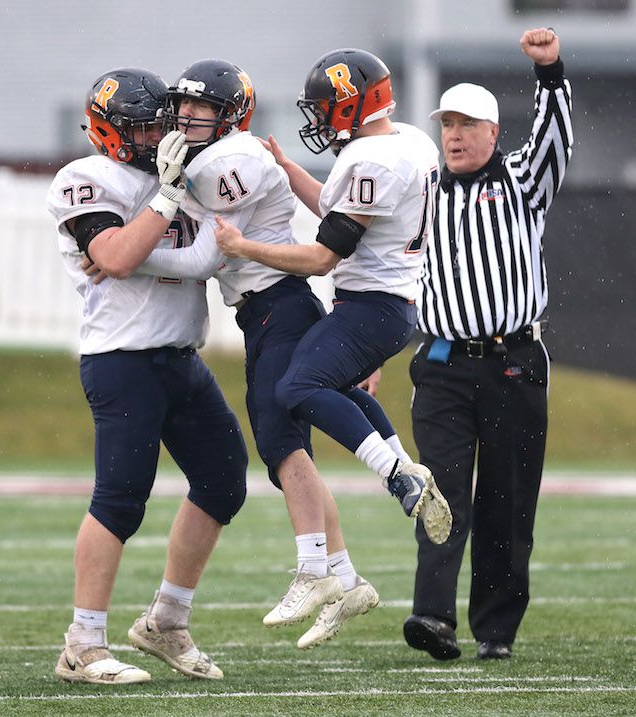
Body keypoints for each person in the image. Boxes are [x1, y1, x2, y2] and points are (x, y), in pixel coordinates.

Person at [117, 59, 388, 651]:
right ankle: (346, 578)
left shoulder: (227, 162)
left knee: (278, 439)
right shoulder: (213, 158)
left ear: (230, 115)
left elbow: (202, 259)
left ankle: (315, 569)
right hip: (269, 311)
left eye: (201, 109)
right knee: (290, 449)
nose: (186, 117)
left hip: (278, 307)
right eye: (183, 106)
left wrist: (131, 254)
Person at [45, 67, 248, 684]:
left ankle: (166, 619)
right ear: (108, 131)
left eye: (159, 122)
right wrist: (164, 195)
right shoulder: (85, 178)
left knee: (223, 480)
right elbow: (116, 255)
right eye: (138, 127)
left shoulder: (183, 175)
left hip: (182, 357)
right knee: (120, 500)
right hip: (122, 359)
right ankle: (82, 643)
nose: (155, 134)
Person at [212, 48, 453, 549]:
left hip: (374, 305)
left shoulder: (372, 161)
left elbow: (323, 257)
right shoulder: (407, 140)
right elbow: (333, 204)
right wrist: (287, 167)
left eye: (325, 106)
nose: (319, 116)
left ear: (352, 105)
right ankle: (404, 465)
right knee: (334, 386)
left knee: (297, 389)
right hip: (387, 302)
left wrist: (243, 247)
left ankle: (394, 474)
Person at [403, 28, 573, 662]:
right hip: (442, 364)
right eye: (448, 123)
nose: (455, 134)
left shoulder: (524, 179)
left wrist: (550, 70)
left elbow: (558, 138)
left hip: (513, 362)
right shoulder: (421, 189)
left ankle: (495, 631)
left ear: (494, 133)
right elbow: (353, 231)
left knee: (505, 500)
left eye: (468, 124)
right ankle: (433, 617)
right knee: (440, 492)